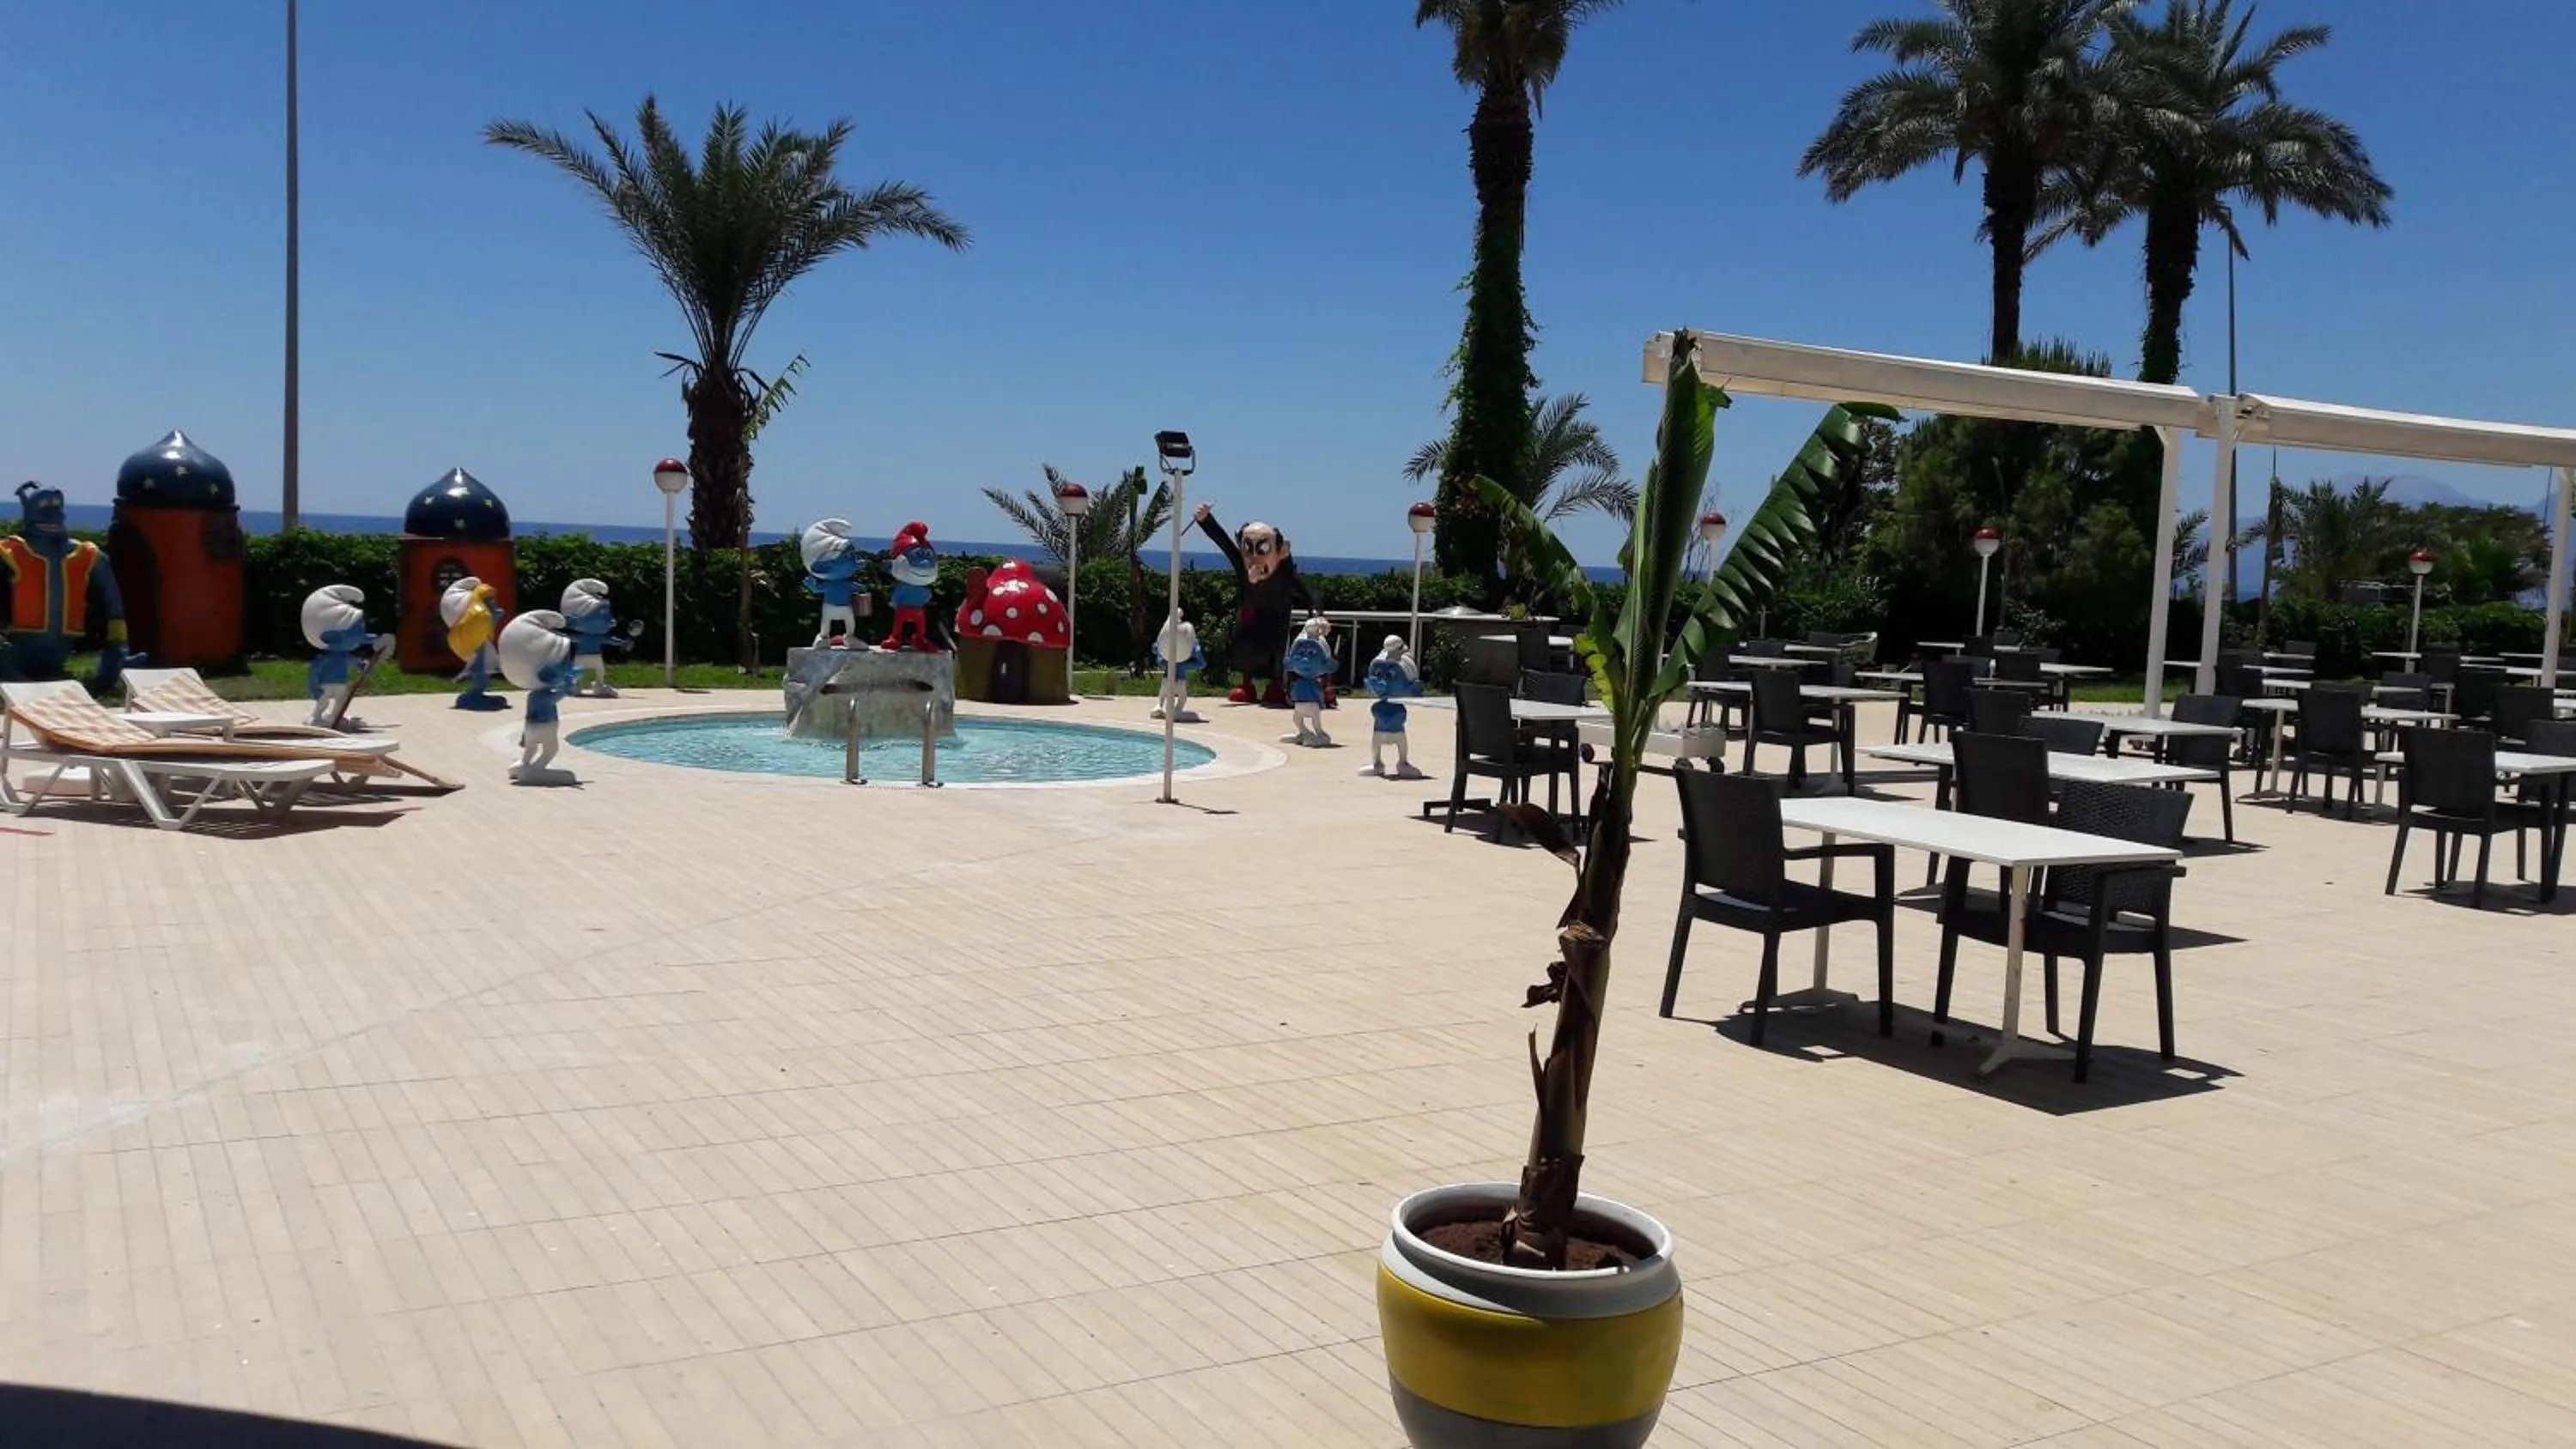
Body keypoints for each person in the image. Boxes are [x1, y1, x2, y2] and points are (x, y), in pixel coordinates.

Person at [1194, 501, 1323, 707]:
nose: (1254, 556)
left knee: (1277, 653)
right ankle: (1246, 684)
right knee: (1245, 648)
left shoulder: (1285, 573)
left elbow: (1309, 591)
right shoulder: (1241, 564)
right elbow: (1224, 543)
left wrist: (1316, 613)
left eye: (1262, 548)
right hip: (1250, 614)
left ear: (1280, 551)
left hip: (1277, 616)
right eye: (1248, 548)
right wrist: (1205, 520)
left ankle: (1275, 685)